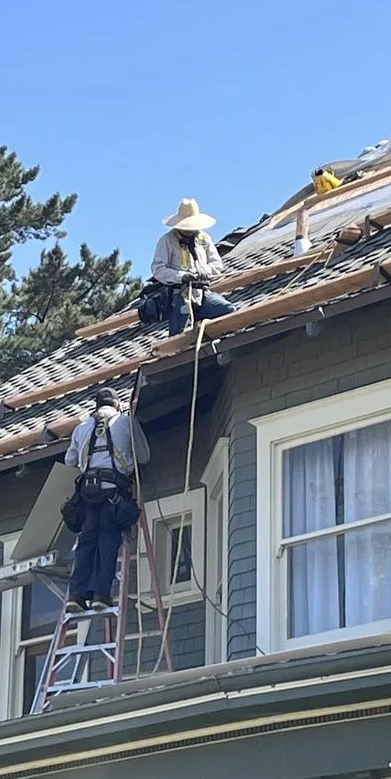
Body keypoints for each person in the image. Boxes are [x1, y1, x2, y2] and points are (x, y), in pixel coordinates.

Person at [64, 387, 150, 612]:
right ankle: (102, 594)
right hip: (114, 491)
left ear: (96, 405)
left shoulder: (82, 427)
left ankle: (76, 594)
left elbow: (70, 459)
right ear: (118, 404)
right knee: (108, 540)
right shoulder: (126, 422)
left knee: (86, 543)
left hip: (88, 493)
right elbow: (144, 456)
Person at [151, 198, 236, 336]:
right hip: (180, 296)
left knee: (228, 311)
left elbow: (217, 264)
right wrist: (182, 276)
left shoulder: (204, 238)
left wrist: (205, 271)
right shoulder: (167, 241)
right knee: (180, 337)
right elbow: (158, 269)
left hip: (202, 294)